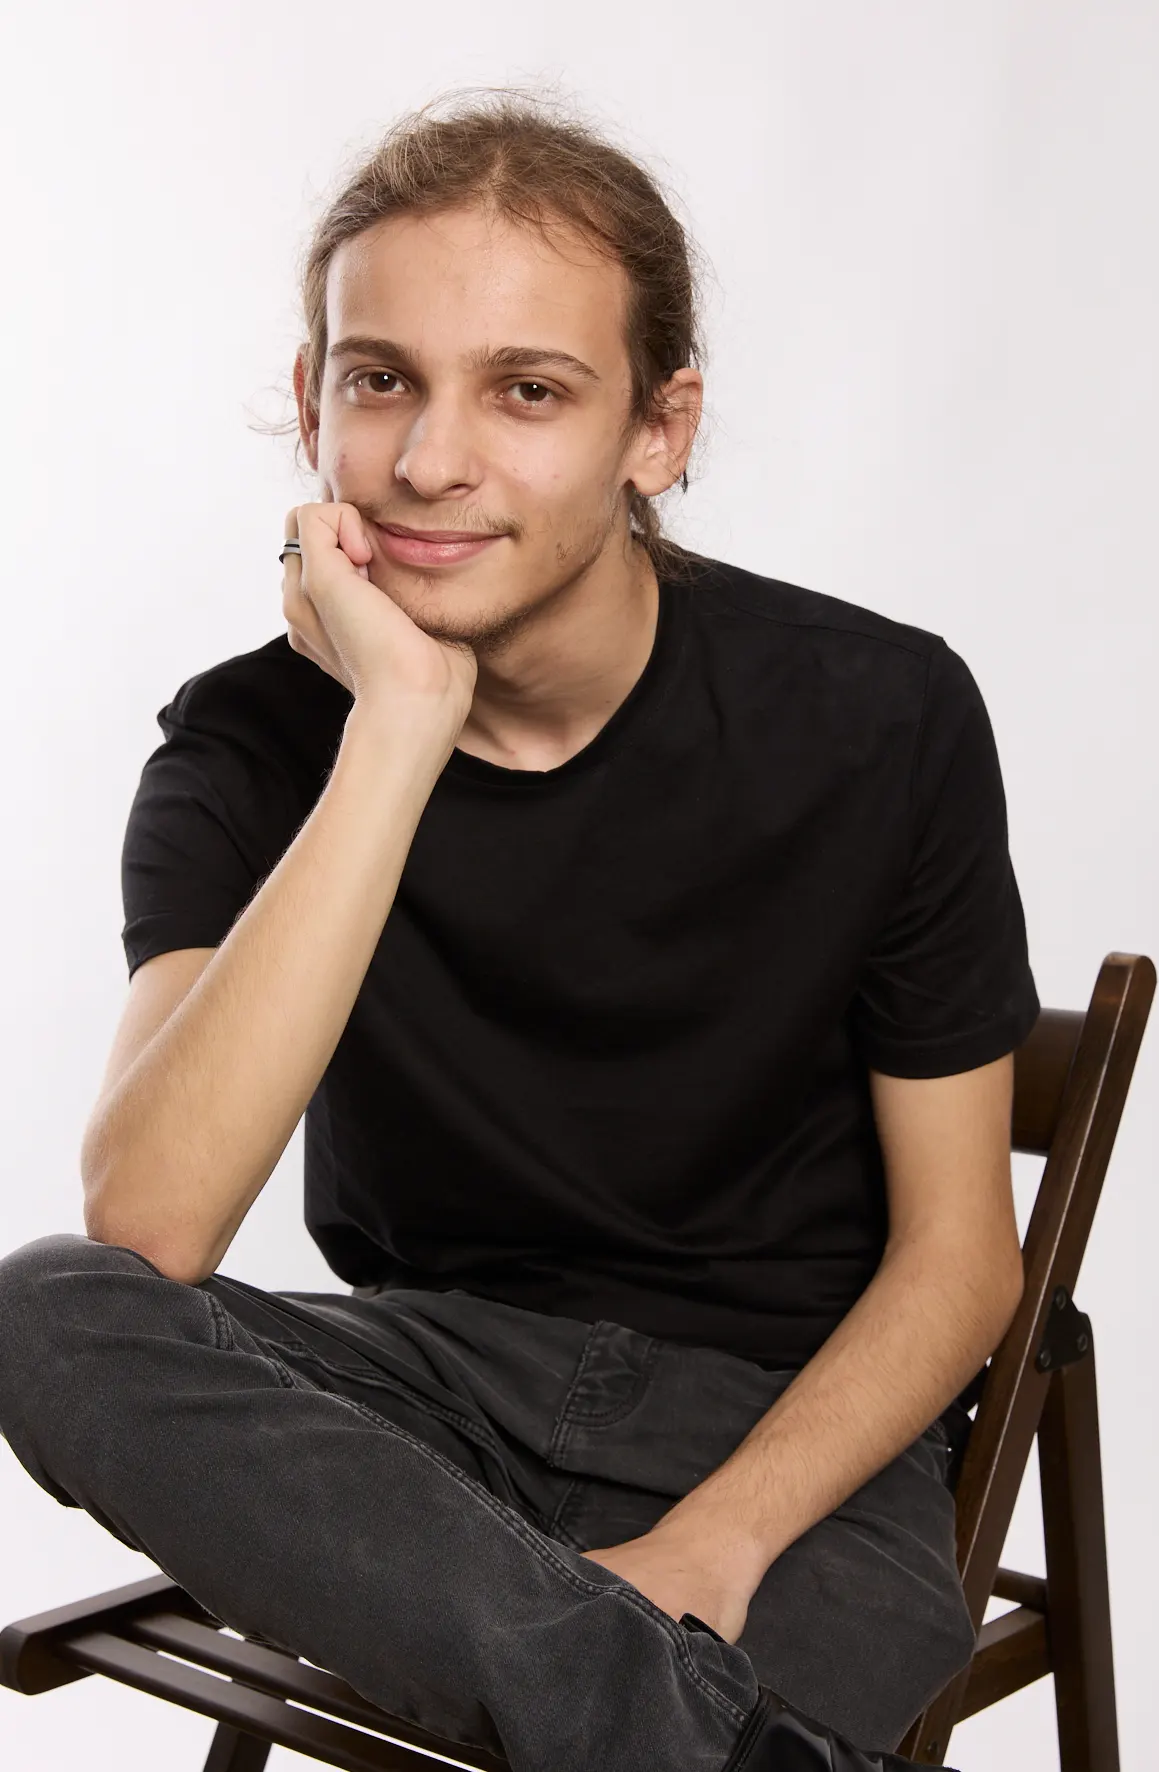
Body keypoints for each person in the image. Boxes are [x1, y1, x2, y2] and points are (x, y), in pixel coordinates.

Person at [0, 91, 1039, 1772]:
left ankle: (604, 1699)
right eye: (379, 378)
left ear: (660, 427)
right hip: (417, 1412)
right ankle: (671, 1728)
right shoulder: (247, 749)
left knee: (743, 1645)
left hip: (783, 1436)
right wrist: (399, 727)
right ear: (308, 400)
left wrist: (716, 1544)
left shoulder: (877, 713)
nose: (427, 460)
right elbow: (151, 1227)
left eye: (529, 391)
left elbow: (961, 1260)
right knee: (44, 1309)